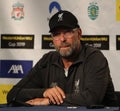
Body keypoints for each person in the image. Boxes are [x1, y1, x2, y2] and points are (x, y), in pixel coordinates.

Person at [7, 10, 117, 107]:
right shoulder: (48, 60)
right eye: (56, 34)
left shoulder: (94, 58)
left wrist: (49, 101)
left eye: (67, 32)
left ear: (79, 34)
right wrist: (44, 93)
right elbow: (13, 94)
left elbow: (92, 98)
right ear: (52, 38)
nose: (62, 39)